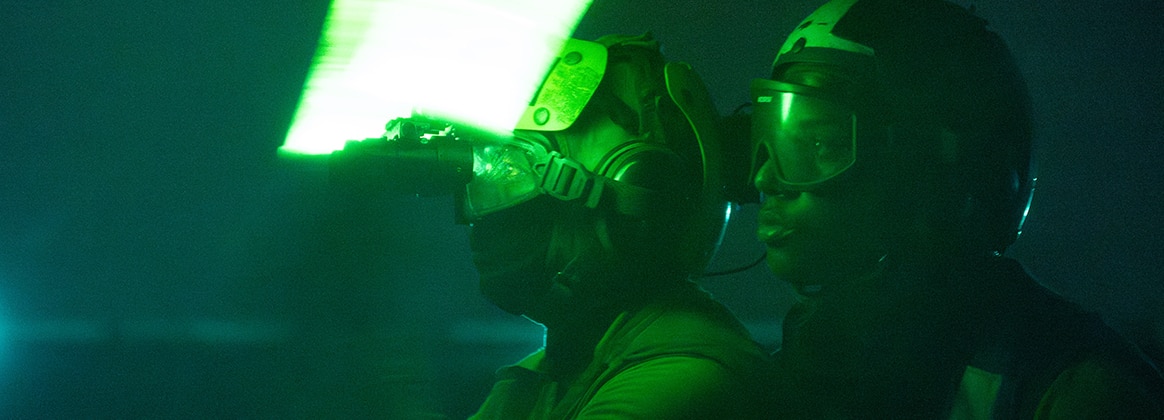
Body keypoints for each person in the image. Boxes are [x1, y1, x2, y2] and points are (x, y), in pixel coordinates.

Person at [746, 0, 1164, 417]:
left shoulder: (1082, 393)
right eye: (775, 139)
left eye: (821, 144)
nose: (765, 179)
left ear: (935, 174)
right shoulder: (809, 359)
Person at [466, 33, 768, 419]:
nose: (487, 214)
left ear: (640, 197)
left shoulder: (686, 378)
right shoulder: (559, 364)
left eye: (522, 175)